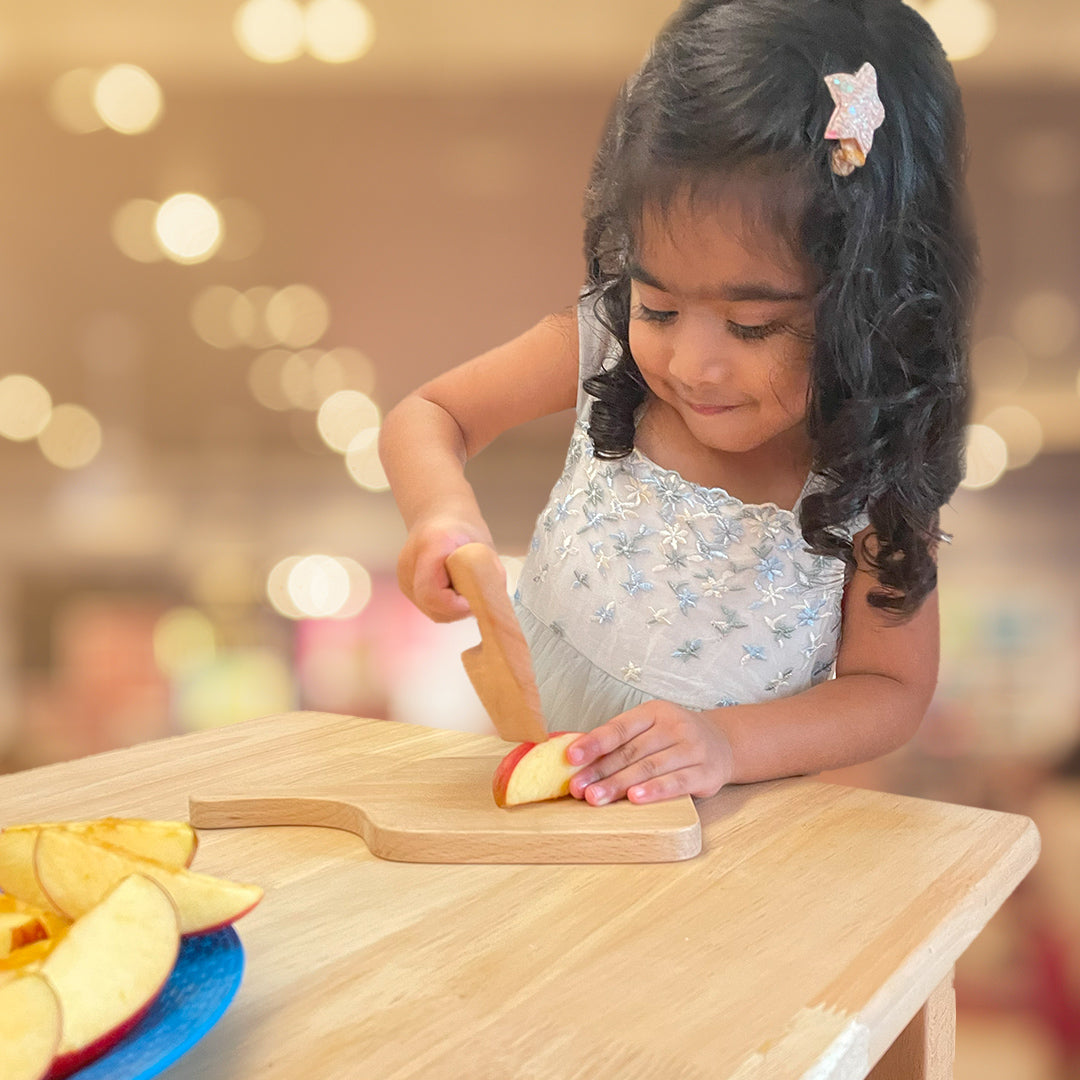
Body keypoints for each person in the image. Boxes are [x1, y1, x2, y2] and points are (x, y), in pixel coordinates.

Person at [380, 0, 978, 808]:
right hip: (525, 807)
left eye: (751, 325)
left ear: (866, 305)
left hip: (713, 852)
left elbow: (891, 690)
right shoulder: (603, 343)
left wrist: (728, 743)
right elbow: (429, 415)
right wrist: (440, 518)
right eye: (657, 307)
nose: (694, 363)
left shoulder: (871, 476)